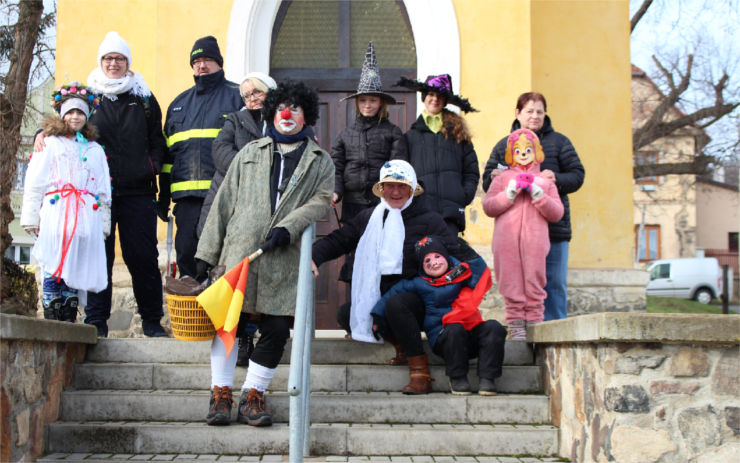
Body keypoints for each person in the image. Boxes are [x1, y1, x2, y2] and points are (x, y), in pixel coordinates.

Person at [195, 81, 334, 427]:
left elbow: (321, 201)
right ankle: (221, 393)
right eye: (281, 108)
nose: (287, 115)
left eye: (296, 109)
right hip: (239, 252)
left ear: (306, 117)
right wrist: (206, 252)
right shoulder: (249, 153)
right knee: (229, 325)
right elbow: (223, 203)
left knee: (274, 328)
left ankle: (253, 394)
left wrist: (290, 226)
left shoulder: (321, 160)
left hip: (283, 258)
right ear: (271, 113)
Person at [33, 31, 168, 337]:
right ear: (100, 61)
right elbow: (68, 126)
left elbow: (157, 140)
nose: (113, 64)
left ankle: (151, 320)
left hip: (138, 191)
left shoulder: (143, 97)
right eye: (108, 58)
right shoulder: (89, 96)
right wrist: (42, 134)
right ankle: (97, 321)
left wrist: (151, 167)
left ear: (128, 62)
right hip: (94, 196)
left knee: (143, 258)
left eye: (119, 59)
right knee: (98, 257)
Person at [311, 160, 461, 394]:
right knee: (346, 314)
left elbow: (453, 251)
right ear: (381, 189)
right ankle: (400, 344)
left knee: (395, 304)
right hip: (383, 297)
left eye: (402, 186)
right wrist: (312, 256)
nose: (395, 192)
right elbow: (340, 239)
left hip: (419, 299)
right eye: (389, 186)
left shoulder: (429, 219)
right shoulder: (370, 217)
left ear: (412, 189)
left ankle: (420, 370)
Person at [482, 92, 585, 321]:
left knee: (554, 284)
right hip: (513, 232)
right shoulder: (504, 145)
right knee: (517, 284)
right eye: (529, 111)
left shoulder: (560, 142)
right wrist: (495, 176)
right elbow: (489, 183)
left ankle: (553, 336)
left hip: (553, 229)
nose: (535, 116)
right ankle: (522, 335)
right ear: (518, 113)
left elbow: (577, 175)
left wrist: (556, 178)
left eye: (539, 111)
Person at [371, 236, 507, 395]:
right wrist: (377, 316)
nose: (433, 262)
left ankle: (487, 379)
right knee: (454, 329)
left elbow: (480, 277)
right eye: (427, 261)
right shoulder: (419, 282)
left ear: (446, 258)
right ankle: (458, 378)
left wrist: (470, 255)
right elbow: (392, 294)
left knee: (494, 327)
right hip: (444, 337)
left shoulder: (461, 273)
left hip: (470, 331)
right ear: (422, 266)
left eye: (437, 256)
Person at [21, 83, 111, 323]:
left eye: (80, 113)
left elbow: (102, 189)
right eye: (70, 112)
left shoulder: (94, 149)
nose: (75, 117)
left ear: (87, 116)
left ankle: (69, 314)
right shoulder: (49, 144)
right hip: (56, 213)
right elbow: (35, 181)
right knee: (54, 261)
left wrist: (103, 223)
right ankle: (52, 310)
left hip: (84, 217)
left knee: (76, 265)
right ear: (62, 114)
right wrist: (31, 216)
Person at [161, 35, 243, 279]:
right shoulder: (178, 104)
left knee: (222, 257)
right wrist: (163, 196)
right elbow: (168, 158)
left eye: (208, 59)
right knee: (186, 254)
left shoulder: (237, 97)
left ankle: (220, 316)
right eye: (196, 60)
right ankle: (191, 315)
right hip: (187, 201)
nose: (202, 65)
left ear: (219, 63)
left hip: (225, 195)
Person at [482, 129, 564, 339]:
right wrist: (508, 194)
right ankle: (516, 325)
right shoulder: (502, 179)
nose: (524, 153)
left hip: (535, 243)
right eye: (518, 150)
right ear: (511, 153)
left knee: (535, 279)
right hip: (506, 242)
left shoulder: (545, 181)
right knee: (509, 279)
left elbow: (557, 213)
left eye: (528, 149)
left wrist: (539, 194)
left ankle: (535, 324)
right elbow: (489, 207)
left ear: (537, 152)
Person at [396, 74, 480, 236]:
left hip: (451, 215)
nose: (435, 99)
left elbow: (471, 171)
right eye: (431, 95)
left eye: (440, 96)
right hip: (420, 214)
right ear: (424, 97)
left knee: (447, 260)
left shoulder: (459, 135)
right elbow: (403, 174)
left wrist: (462, 195)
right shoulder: (410, 137)